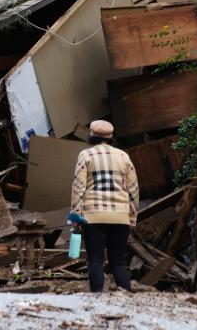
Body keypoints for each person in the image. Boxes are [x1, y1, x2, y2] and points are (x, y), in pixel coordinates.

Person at [69, 119, 139, 293]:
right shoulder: (124, 157)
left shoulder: (85, 155)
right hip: (120, 217)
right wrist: (132, 216)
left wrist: (76, 214)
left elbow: (78, 188)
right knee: (118, 262)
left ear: (91, 136)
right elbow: (134, 189)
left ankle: (97, 299)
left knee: (95, 261)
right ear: (110, 137)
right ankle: (127, 299)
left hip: (93, 217)